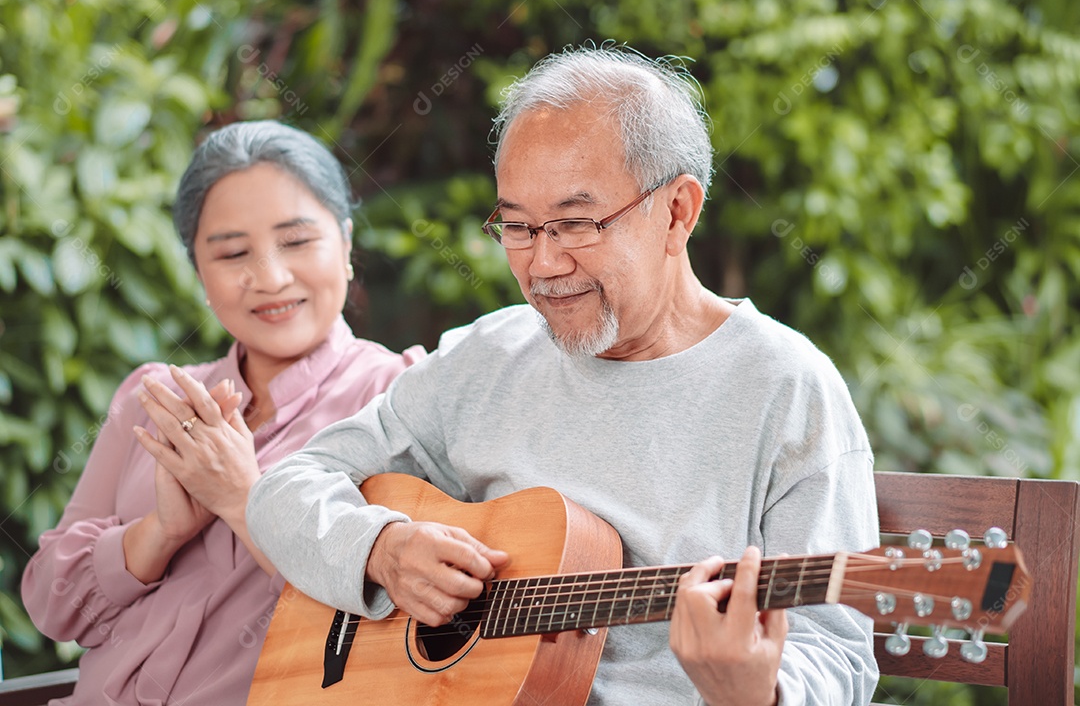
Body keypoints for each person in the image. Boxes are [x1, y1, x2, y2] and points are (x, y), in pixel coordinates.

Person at [247, 46, 879, 705]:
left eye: (575, 223)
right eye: (518, 226)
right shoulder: (488, 357)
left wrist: (759, 693)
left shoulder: (785, 387)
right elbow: (286, 488)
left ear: (677, 212)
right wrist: (382, 549)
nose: (543, 263)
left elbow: (836, 653)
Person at [21, 121, 424, 705]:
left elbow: (398, 613)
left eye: (296, 241)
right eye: (233, 253)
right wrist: (159, 533)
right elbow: (51, 602)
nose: (271, 278)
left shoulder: (401, 396)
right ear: (199, 273)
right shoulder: (155, 397)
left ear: (345, 244)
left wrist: (243, 500)